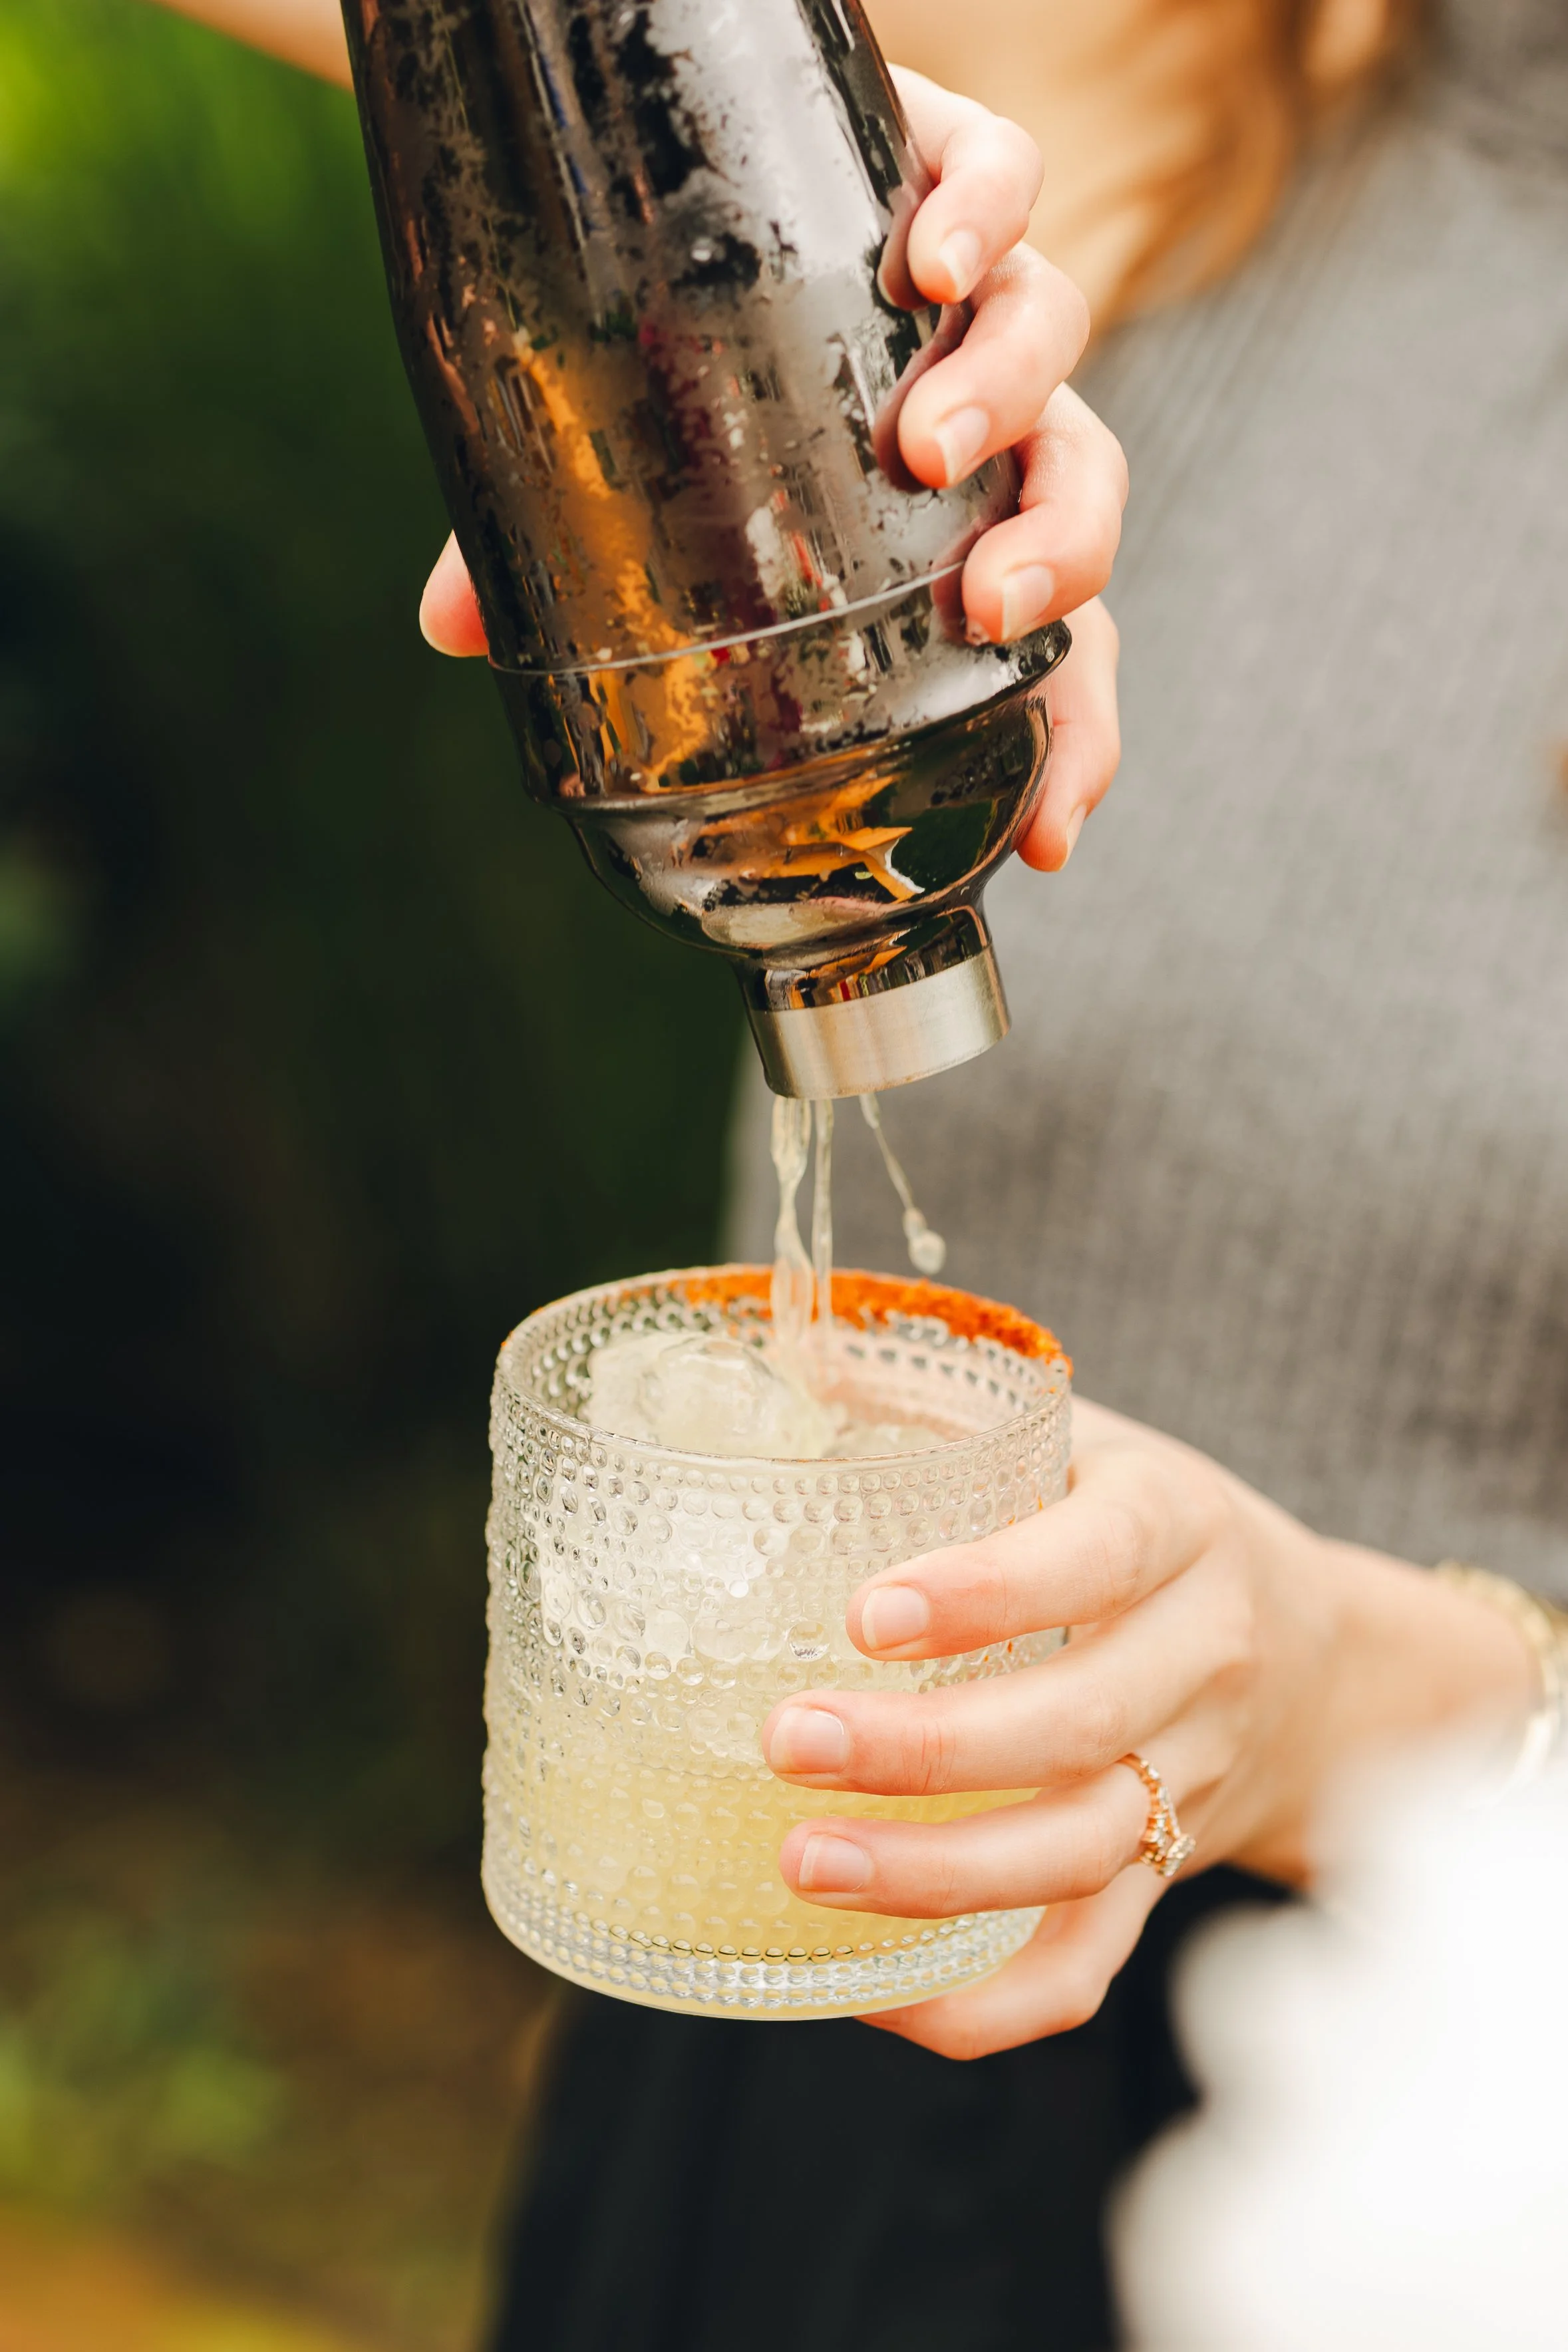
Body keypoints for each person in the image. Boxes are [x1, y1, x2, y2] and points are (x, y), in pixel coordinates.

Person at [133, 0, 1568, 2341]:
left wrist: (1341, 1689)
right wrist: (714, 185)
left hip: (1432, 2162)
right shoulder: (1192, 69)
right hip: (778, 2014)